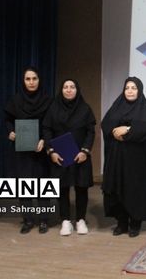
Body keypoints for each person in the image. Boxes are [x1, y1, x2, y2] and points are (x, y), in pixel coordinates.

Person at [101, 77, 146, 237]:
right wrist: (115, 131)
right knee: (117, 189)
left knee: (134, 190)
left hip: (136, 160)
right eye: (127, 88)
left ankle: (135, 223)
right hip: (117, 159)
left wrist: (127, 130)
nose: (130, 91)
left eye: (134, 88)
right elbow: (106, 124)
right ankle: (122, 223)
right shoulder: (116, 106)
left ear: (139, 90)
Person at [43, 79, 96, 236]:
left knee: (81, 188)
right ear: (61, 90)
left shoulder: (85, 109)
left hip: (80, 155)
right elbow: (46, 130)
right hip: (60, 155)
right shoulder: (53, 108)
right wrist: (51, 151)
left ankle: (80, 220)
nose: (69, 90)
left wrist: (85, 151)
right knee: (62, 188)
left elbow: (90, 132)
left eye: (72, 87)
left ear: (77, 90)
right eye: (65, 87)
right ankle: (65, 220)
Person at [3, 67, 53, 234]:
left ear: (39, 80)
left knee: (42, 185)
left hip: (41, 148)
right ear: (23, 81)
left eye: (34, 78)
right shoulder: (16, 100)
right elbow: (8, 119)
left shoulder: (48, 100)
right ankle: (28, 219)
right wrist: (10, 131)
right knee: (24, 184)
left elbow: (51, 123)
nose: (31, 82)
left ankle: (44, 220)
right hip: (22, 148)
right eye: (28, 79)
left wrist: (45, 140)